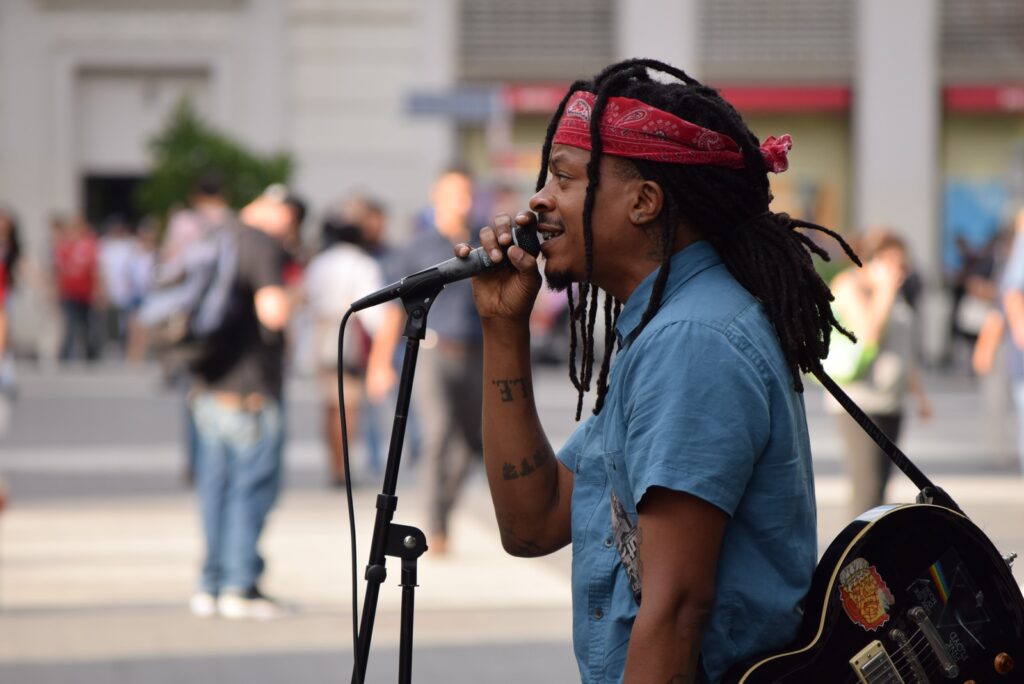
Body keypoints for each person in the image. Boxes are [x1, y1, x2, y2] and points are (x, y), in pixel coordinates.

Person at [453, 59, 860, 682]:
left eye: (564, 177)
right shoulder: (666, 329)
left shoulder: (691, 341)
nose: (539, 199)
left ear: (644, 202)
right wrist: (503, 329)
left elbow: (675, 610)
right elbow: (532, 524)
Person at [186, 181, 289, 621]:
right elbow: (273, 311)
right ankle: (238, 585)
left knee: (214, 491)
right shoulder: (260, 244)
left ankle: (209, 584)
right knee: (250, 491)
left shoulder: (212, 237)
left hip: (207, 386)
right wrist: (290, 300)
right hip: (250, 391)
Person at [366, 168, 483, 555]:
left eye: (466, 193)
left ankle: (445, 508)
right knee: (437, 436)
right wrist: (380, 362)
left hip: (476, 353)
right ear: (437, 196)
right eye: (453, 193)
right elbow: (396, 312)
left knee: (470, 443)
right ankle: (436, 524)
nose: (461, 201)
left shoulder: (484, 240)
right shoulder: (417, 247)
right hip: (432, 351)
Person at [825, 228, 932, 518]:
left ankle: (872, 559)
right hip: (860, 402)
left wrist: (919, 395)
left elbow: (904, 351)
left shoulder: (895, 294)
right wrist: (884, 291)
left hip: (891, 401)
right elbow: (868, 334)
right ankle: (854, 558)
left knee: (882, 488)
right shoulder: (850, 286)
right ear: (874, 259)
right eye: (896, 264)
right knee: (867, 490)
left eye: (904, 266)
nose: (901, 273)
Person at [302, 201, 385, 486]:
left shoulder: (319, 263)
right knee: (348, 408)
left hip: (321, 334)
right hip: (348, 337)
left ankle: (334, 463)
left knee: (329, 406)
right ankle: (343, 466)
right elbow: (374, 311)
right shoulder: (362, 264)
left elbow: (307, 300)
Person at [54, 216, 101, 362]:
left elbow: (95, 269)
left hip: (85, 291)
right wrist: (56, 290)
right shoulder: (64, 246)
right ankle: (64, 354)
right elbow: (58, 270)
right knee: (70, 323)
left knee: (87, 323)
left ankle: (89, 353)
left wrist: (97, 289)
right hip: (69, 291)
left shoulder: (90, 245)